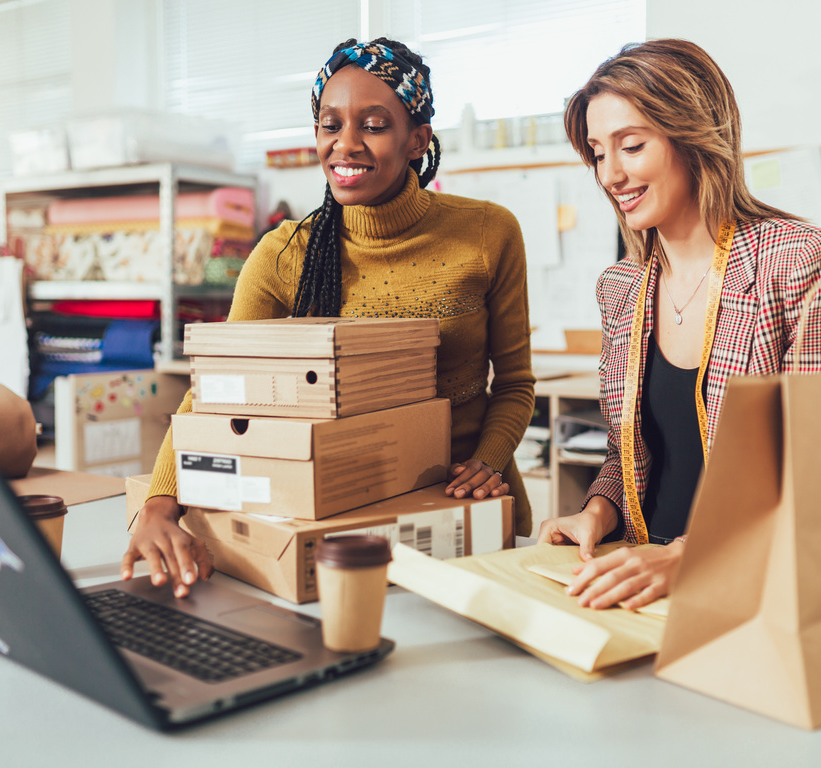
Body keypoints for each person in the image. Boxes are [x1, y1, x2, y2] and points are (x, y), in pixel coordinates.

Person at [123, 38, 536, 596]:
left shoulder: (488, 233)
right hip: (343, 514)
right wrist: (159, 502)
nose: (346, 145)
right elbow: (216, 393)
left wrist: (490, 459)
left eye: (373, 124)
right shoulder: (282, 255)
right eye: (329, 124)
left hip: (464, 514)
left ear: (418, 140)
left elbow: (513, 384)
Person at [537, 39, 821, 610]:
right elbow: (632, 454)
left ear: (692, 136)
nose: (611, 174)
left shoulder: (799, 259)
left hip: (761, 585)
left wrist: (690, 555)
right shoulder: (621, 288)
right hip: (641, 582)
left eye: (632, 145)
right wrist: (597, 512)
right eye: (597, 152)